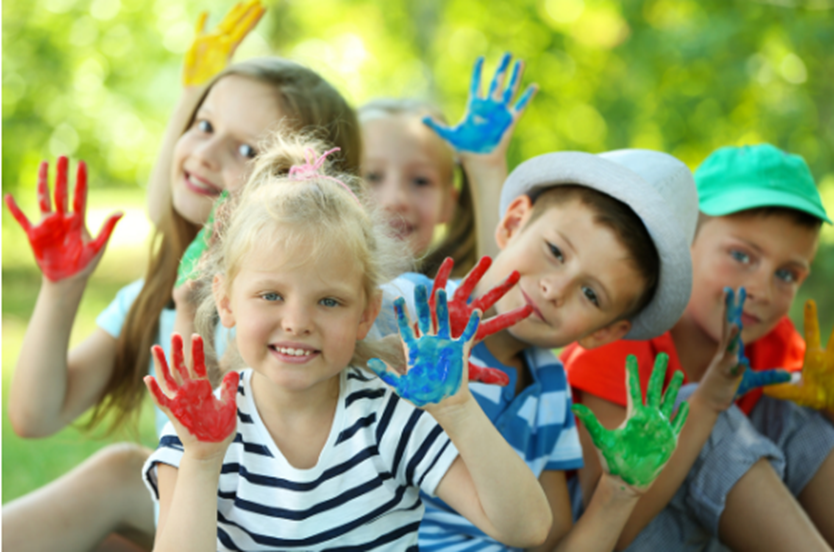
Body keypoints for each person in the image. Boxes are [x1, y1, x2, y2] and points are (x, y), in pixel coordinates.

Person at [2, 13, 361, 549]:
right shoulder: (152, 298)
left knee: (124, 475)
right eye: (204, 124)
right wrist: (63, 286)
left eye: (245, 151)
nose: (205, 153)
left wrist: (194, 316)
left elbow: (249, 453)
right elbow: (36, 415)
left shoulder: (304, 316)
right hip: (199, 522)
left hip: (291, 525)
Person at [141, 138, 552, 551]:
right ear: (227, 301)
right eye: (271, 295)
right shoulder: (202, 433)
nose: (297, 322)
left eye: (329, 301)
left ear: (366, 314)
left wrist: (457, 410)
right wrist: (202, 462)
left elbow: (527, 529)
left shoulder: (387, 417)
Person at [369, 148, 701, 550]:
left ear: (607, 332)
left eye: (591, 294)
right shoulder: (413, 307)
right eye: (556, 252)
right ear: (512, 223)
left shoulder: (549, 389)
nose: (555, 289)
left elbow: (548, 543)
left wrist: (620, 491)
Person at [562, 143, 834, 551]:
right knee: (691, 407)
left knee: (795, 411)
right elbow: (611, 530)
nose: (760, 288)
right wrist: (707, 403)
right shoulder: (622, 336)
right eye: (742, 255)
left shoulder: (769, 341)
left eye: (787, 274)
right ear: (682, 244)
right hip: (618, 530)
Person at [360, 53, 536, 277]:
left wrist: (486, 169)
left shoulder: (447, 298)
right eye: (372, 176)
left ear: (448, 204)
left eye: (421, 181)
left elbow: (497, 294)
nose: (395, 200)